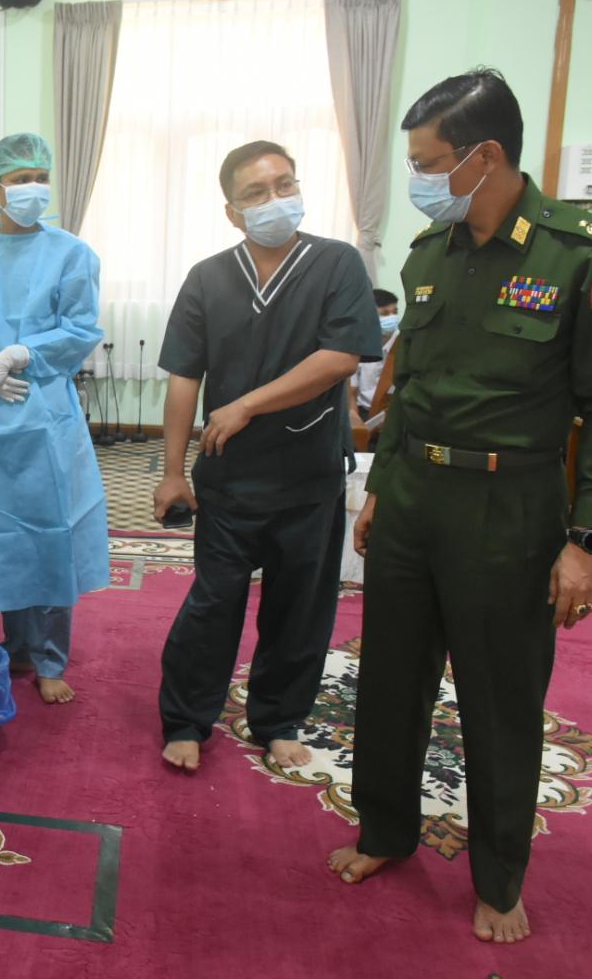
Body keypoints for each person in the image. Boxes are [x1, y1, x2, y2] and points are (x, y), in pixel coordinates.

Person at [327, 68, 592, 944]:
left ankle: (500, 875)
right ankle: (385, 831)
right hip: (414, 496)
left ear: (485, 156)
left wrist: (588, 539)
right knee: (389, 681)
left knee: (500, 701)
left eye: (429, 164)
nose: (419, 180)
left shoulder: (585, 252)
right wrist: (381, 489)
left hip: (510, 508)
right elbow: (411, 388)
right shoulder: (431, 254)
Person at [153, 140, 382, 771]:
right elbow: (183, 375)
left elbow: (340, 358)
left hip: (308, 475)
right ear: (233, 212)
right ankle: (187, 720)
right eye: (257, 193)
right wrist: (172, 472)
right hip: (228, 478)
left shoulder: (336, 263)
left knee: (299, 608)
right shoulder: (208, 277)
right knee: (213, 603)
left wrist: (247, 405)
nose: (275, 200)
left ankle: (278, 719)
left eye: (285, 184)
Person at [0, 132, 107, 706]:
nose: (34, 187)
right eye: (21, 178)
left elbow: (81, 329)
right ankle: (19, 645)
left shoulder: (71, 254)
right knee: (3, 534)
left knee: (52, 532)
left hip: (46, 413)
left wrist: (20, 353)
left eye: (41, 177)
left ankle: (51, 657)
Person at [348, 288, 401, 425]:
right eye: (385, 313)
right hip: (368, 413)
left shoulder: (402, 342)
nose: (392, 318)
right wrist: (357, 425)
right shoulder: (358, 346)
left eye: (395, 312)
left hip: (398, 412)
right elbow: (351, 392)